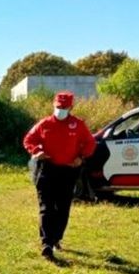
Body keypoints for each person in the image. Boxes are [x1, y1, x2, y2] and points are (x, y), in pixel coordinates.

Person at [22, 91, 97, 259]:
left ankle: (56, 238)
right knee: (46, 207)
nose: (60, 110)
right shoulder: (45, 124)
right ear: (53, 105)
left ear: (71, 107)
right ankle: (46, 244)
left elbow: (90, 143)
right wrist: (36, 151)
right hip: (47, 170)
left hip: (68, 171)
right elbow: (29, 139)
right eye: (58, 107)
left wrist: (81, 157)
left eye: (64, 107)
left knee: (62, 208)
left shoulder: (78, 125)